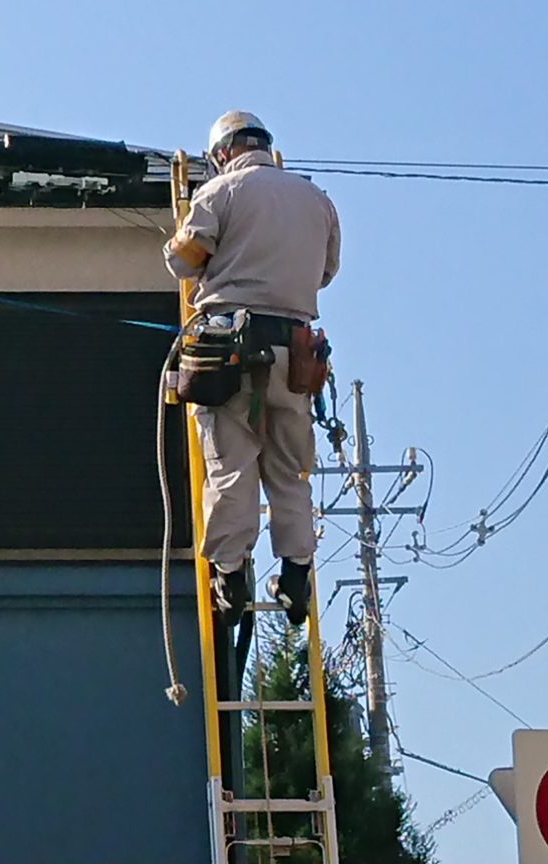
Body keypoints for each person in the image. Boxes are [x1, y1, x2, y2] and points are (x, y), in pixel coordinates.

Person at [162, 110, 341, 627]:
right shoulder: (318, 201)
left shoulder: (221, 193)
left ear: (222, 152)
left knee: (230, 466)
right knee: (290, 471)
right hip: (296, 355)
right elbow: (326, 274)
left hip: (230, 352)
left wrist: (180, 245)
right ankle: (296, 573)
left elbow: (185, 259)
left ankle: (230, 574)